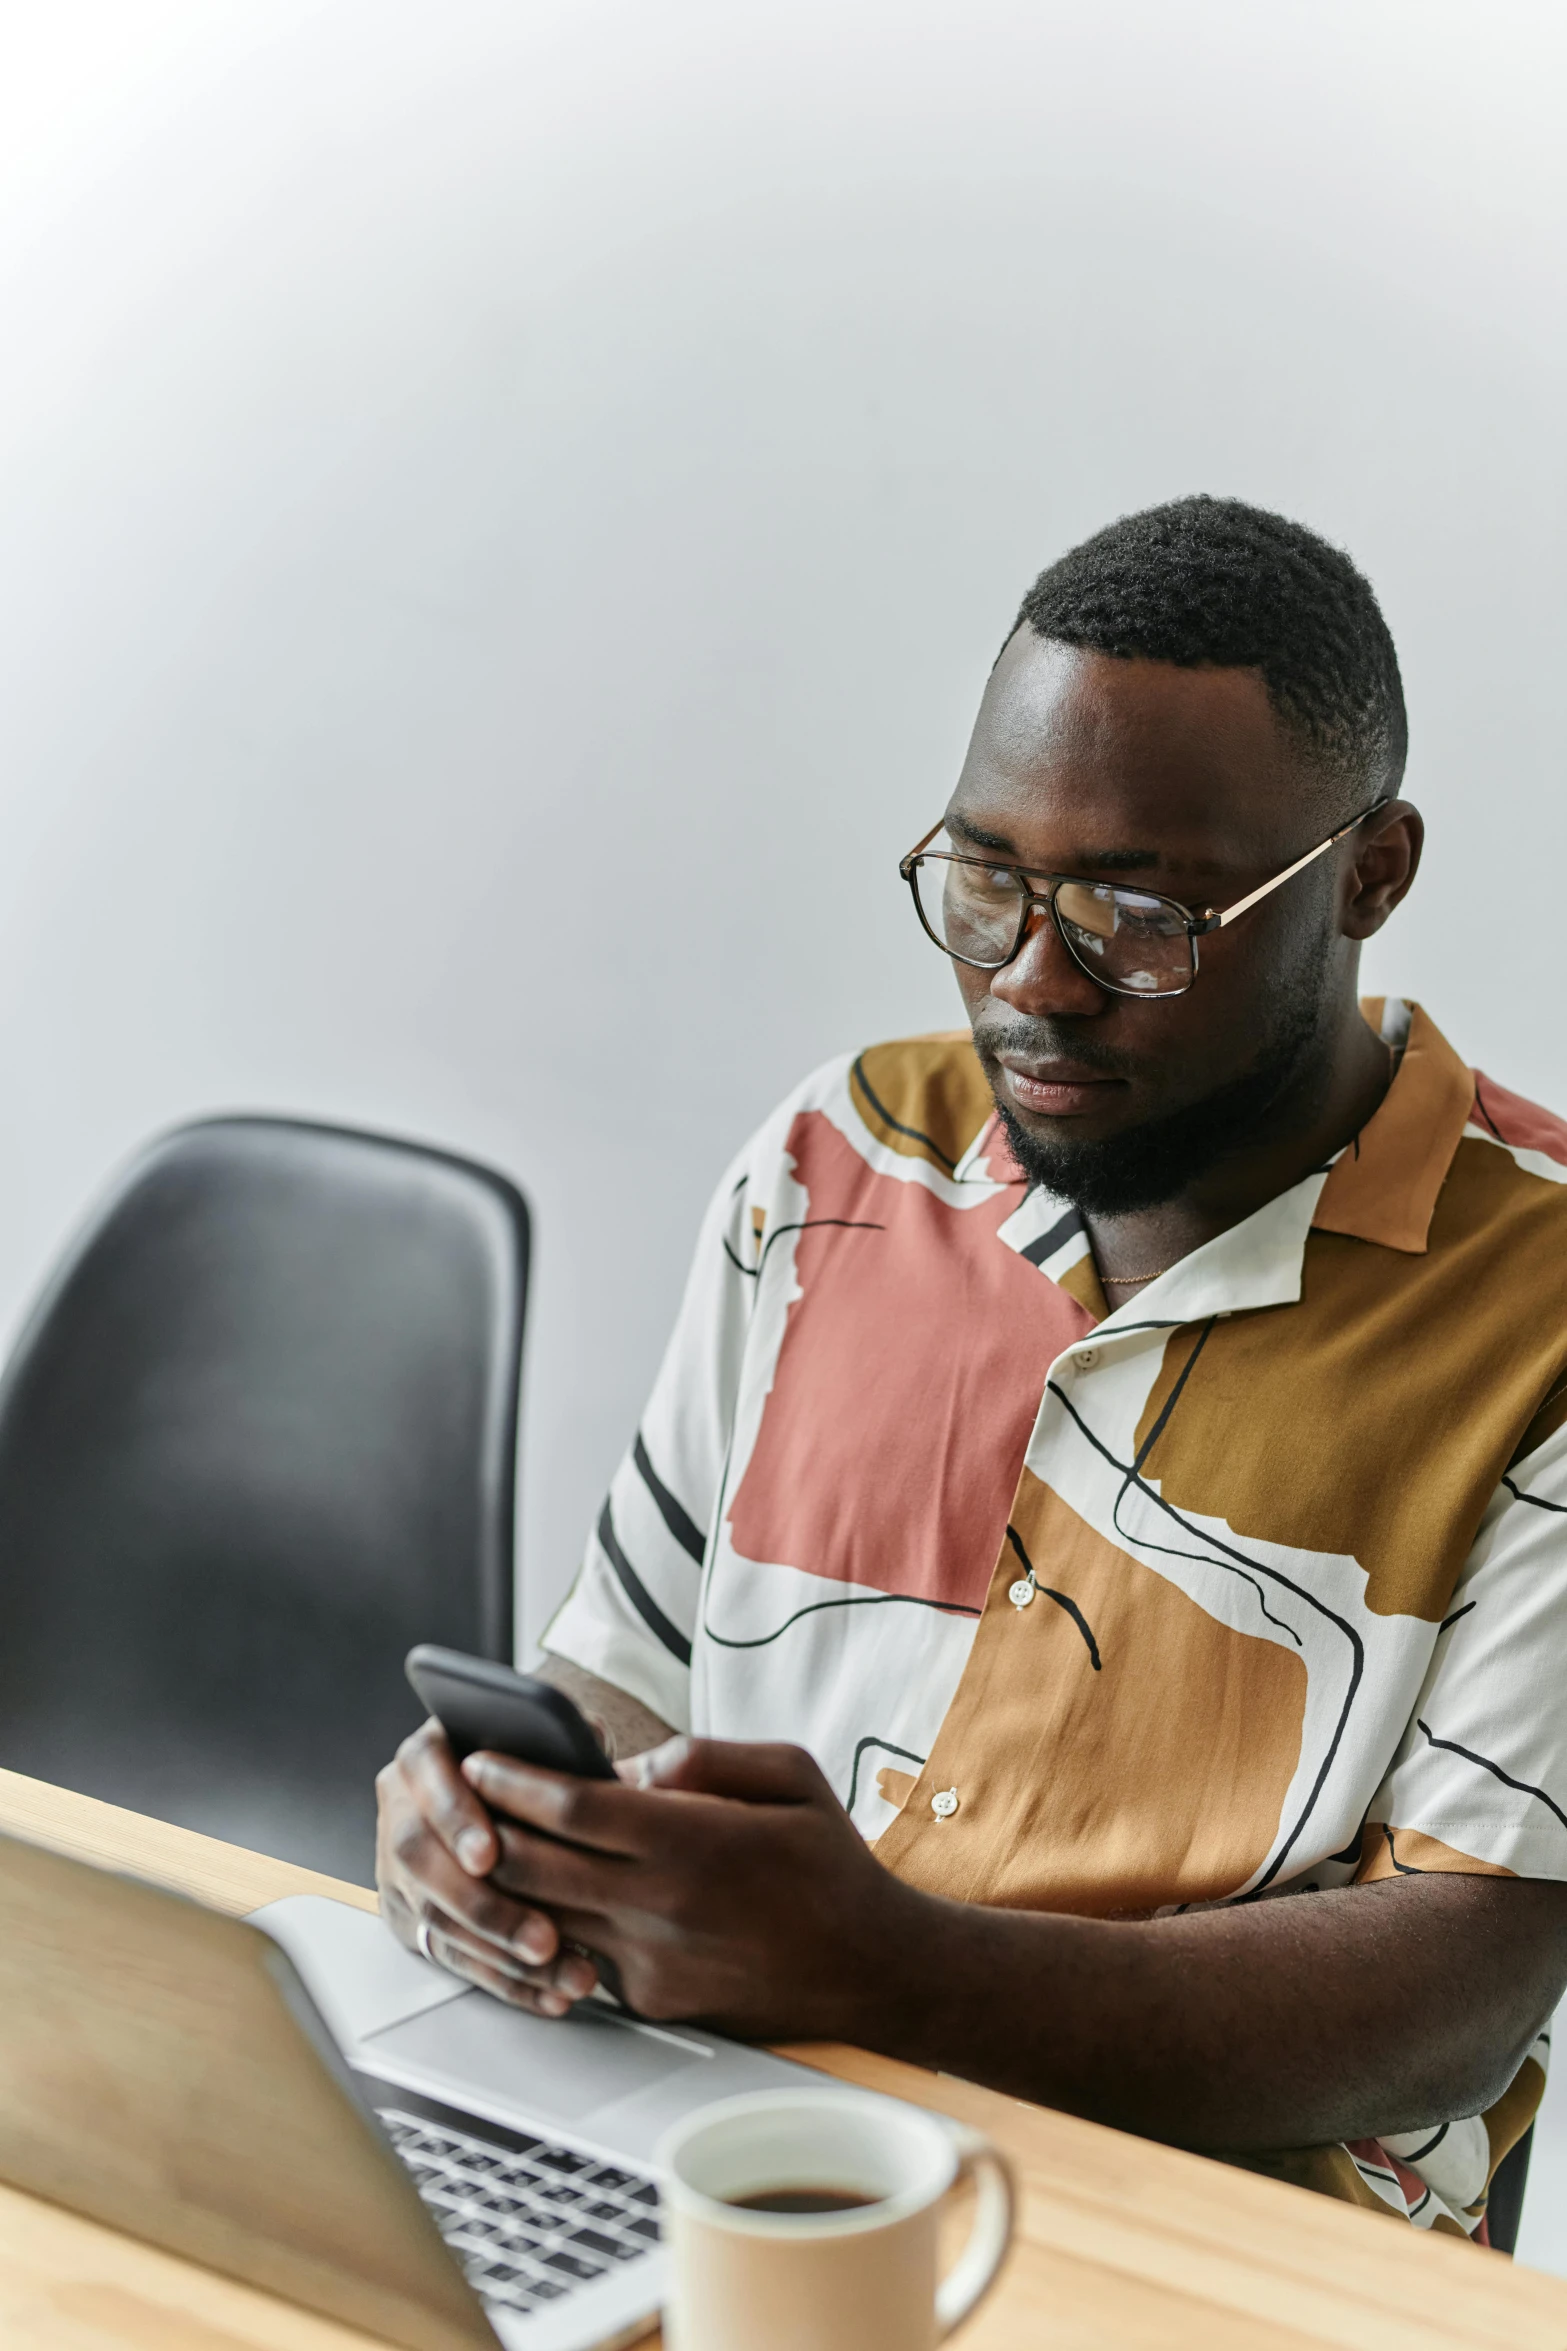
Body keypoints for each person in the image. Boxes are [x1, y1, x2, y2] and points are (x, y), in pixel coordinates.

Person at [377, 496, 1567, 2240]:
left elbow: (1447, 1999)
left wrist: (891, 1970)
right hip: (719, 2155)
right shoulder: (835, 1164)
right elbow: (622, 1685)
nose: (1030, 983)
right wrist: (499, 1841)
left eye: (1135, 914)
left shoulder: (1534, 1307)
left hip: (1206, 2250)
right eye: (987, 881)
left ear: (1368, 875)